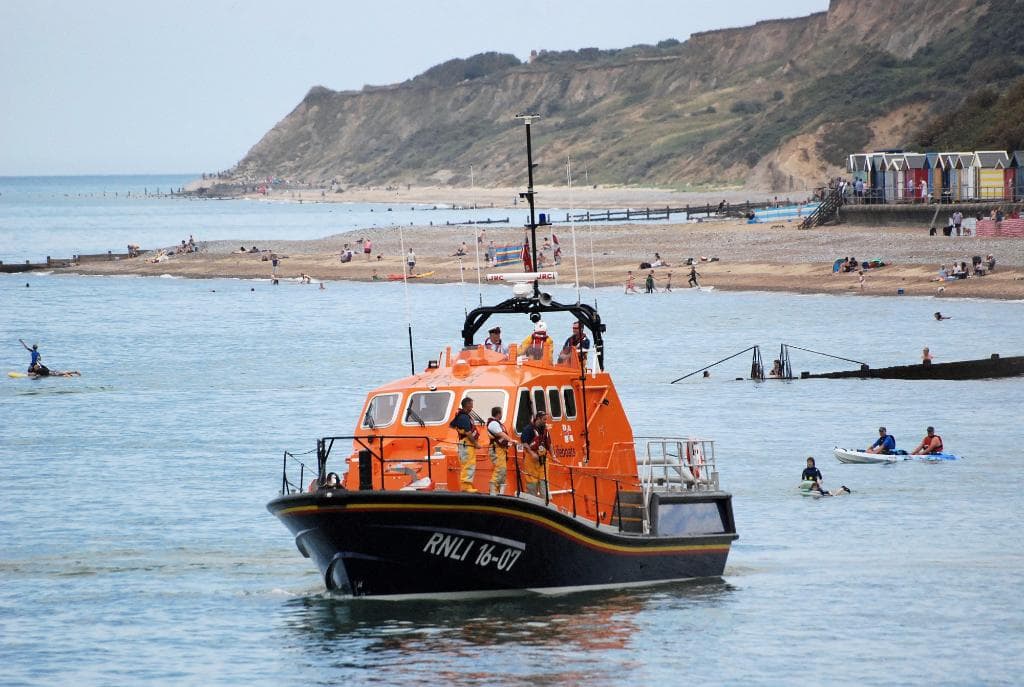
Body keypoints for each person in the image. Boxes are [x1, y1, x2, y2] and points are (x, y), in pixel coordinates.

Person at [449, 398, 479, 492]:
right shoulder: (464, 417)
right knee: (468, 465)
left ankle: (467, 486)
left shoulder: (461, 416)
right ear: (467, 405)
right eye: (471, 404)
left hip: (465, 443)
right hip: (467, 444)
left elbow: (452, 425)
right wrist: (475, 443)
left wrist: (459, 429)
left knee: (468, 464)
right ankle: (466, 487)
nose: (472, 406)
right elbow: (468, 432)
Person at [518, 411, 551, 497]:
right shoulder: (528, 429)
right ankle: (532, 502)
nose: (545, 421)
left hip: (543, 461)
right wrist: (532, 453)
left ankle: (546, 503)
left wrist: (554, 456)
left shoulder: (545, 430)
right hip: (531, 461)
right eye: (544, 419)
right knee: (532, 485)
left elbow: (549, 444)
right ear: (538, 419)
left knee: (544, 484)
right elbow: (524, 443)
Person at [486, 406, 513, 494]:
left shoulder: (497, 423)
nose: (502, 415)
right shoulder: (493, 423)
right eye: (501, 413)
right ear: (498, 414)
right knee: (500, 469)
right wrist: (511, 440)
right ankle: (493, 492)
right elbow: (500, 434)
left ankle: (498, 492)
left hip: (501, 450)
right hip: (496, 450)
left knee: (502, 471)